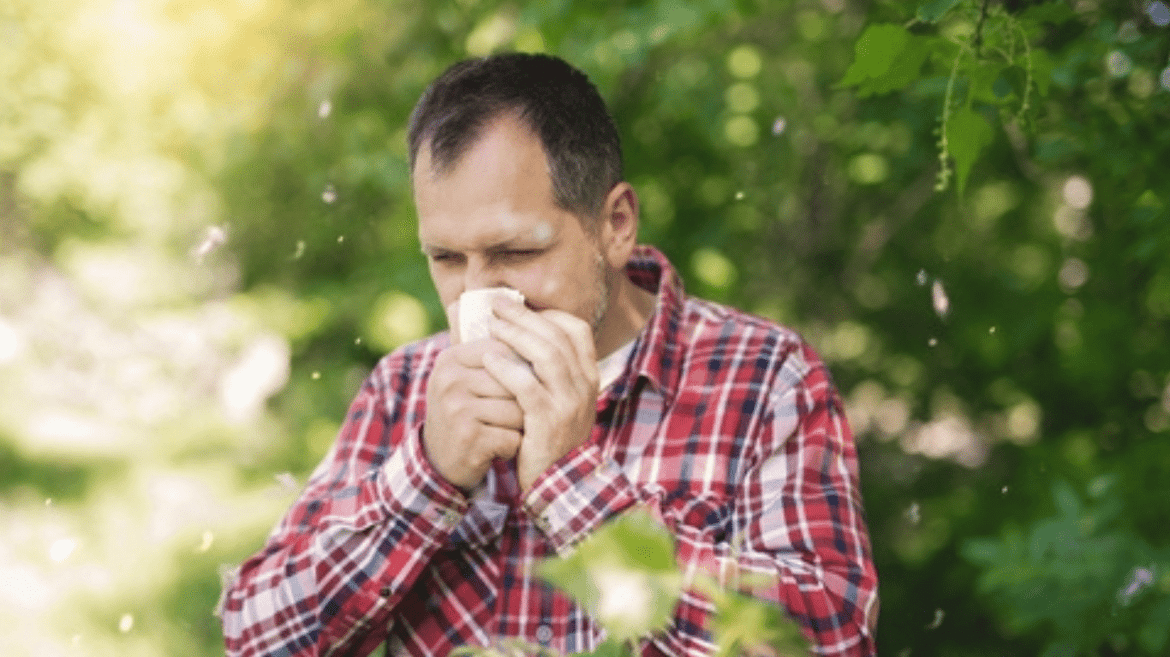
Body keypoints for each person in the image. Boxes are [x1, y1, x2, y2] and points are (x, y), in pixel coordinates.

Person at [220, 52, 878, 657]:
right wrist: (427, 474)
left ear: (614, 224)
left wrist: (573, 483)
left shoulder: (765, 378)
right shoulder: (406, 386)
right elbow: (253, 636)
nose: (478, 293)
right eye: (447, 258)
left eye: (516, 252)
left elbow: (829, 641)